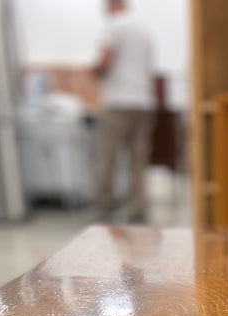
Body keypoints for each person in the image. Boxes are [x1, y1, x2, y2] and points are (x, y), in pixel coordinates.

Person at [93, 0, 156, 222]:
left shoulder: (113, 26)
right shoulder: (144, 29)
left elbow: (105, 60)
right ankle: (138, 208)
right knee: (139, 158)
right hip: (145, 101)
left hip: (119, 100)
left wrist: (94, 71)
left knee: (108, 155)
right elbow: (148, 68)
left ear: (111, 5)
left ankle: (104, 205)